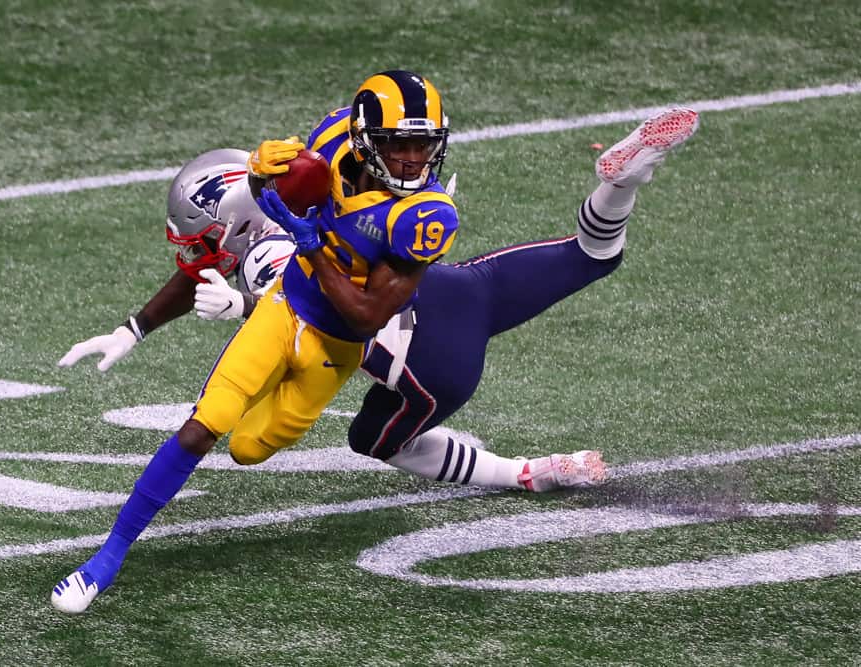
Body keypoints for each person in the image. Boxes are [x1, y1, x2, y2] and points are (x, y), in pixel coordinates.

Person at [52, 105, 699, 614]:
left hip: (427, 355)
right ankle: (624, 180)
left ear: (233, 224)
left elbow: (302, 293)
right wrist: (135, 327)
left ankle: (528, 472)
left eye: (201, 238)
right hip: (459, 288)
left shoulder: (265, 246)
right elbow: (219, 269)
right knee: (593, 254)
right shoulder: (328, 192)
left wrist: (247, 306)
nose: (193, 252)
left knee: (374, 437)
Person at [52, 70, 462, 613]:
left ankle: (257, 389)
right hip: (284, 306)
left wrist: (313, 246)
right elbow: (235, 230)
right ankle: (105, 559)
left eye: (422, 144)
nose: (412, 159)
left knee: (247, 448)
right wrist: (260, 176)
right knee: (204, 426)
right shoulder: (330, 143)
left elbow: (365, 318)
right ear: (364, 139)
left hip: (337, 348)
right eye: (398, 144)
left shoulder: (426, 216)